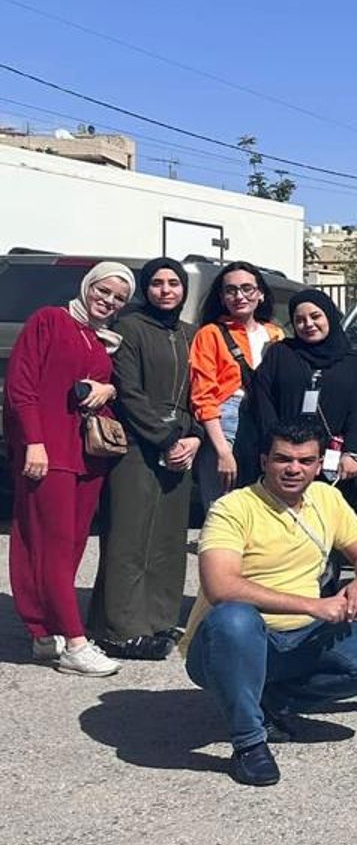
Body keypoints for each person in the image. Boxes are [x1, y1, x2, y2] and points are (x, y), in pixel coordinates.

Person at [181, 417, 357, 785]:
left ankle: (269, 699)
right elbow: (220, 586)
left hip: (300, 635)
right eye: (283, 459)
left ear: (320, 465)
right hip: (232, 642)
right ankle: (249, 742)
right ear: (263, 461)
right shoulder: (233, 508)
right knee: (235, 619)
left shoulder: (326, 497)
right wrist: (314, 606)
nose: (294, 469)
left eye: (305, 461)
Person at [6, 260, 134, 677]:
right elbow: (21, 387)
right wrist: (34, 443)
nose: (108, 301)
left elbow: (99, 392)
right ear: (88, 287)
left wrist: (108, 387)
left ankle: (44, 631)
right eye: (104, 291)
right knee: (53, 544)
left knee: (69, 544)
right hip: (49, 451)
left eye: (118, 298)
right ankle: (75, 643)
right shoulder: (50, 321)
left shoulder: (102, 340)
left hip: (86, 456)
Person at [88, 258, 197, 660]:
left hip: (181, 445)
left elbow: (202, 393)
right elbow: (127, 390)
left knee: (168, 537)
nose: (166, 290)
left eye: (173, 283)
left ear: (184, 290)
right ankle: (119, 628)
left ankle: (158, 619)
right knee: (129, 536)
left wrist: (195, 438)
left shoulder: (191, 334)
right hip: (137, 444)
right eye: (156, 283)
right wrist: (166, 437)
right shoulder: (130, 328)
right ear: (144, 290)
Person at [244, 289, 357, 502]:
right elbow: (262, 400)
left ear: (330, 317)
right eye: (300, 320)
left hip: (334, 462)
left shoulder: (351, 361)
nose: (308, 324)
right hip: (288, 460)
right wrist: (276, 445)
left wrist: (353, 452)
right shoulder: (280, 354)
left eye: (315, 316)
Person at [189, 260, 283, 508]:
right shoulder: (210, 334)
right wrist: (222, 451)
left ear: (260, 293)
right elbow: (203, 396)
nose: (239, 296)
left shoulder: (276, 334)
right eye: (230, 290)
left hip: (266, 423)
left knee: (261, 506)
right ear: (221, 297)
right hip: (226, 423)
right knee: (222, 507)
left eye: (247, 288)